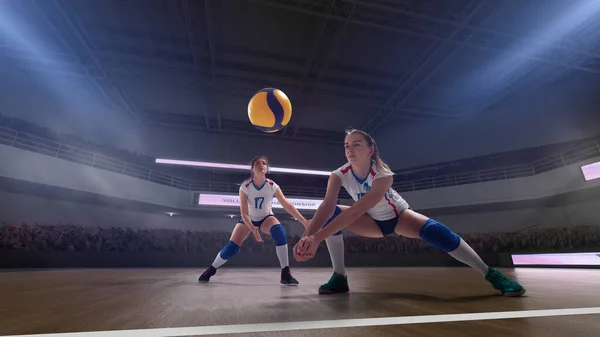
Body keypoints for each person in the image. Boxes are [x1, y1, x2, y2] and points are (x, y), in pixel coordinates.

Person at [293, 129, 526, 297]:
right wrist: (307, 238)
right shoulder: (338, 174)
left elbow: (355, 211)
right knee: (331, 212)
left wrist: (317, 238)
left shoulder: (383, 174)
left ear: (370, 149)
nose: (350, 149)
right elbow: (325, 207)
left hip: (397, 218)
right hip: (370, 223)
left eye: (356, 144)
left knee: (438, 233)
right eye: (346, 145)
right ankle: (339, 278)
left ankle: (491, 274)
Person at [199, 156, 310, 285]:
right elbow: (244, 213)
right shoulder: (245, 187)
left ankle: (285, 273)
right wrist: (253, 229)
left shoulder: (272, 185)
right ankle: (212, 269)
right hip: (248, 219)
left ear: (267, 169)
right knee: (231, 249)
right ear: (252, 169)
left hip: (266, 217)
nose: (261, 165)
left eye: (264, 163)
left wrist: (303, 220)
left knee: (280, 232)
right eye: (258, 163)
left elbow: (286, 204)